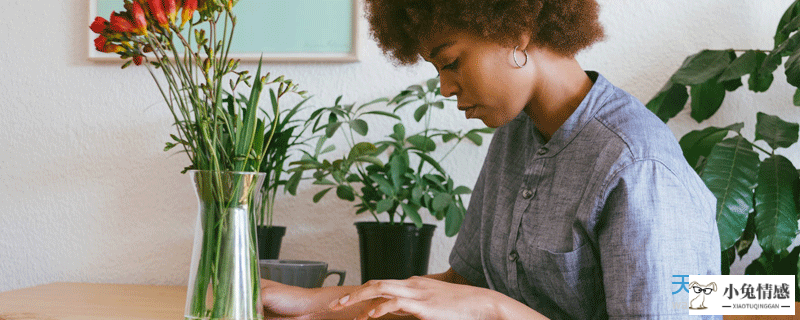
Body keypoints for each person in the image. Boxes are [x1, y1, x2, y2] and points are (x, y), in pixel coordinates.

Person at [260, 0, 721, 319]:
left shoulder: (638, 168)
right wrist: (307, 303)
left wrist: (493, 308)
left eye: (451, 62)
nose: (444, 87)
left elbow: (477, 302)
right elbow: (458, 287)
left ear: (514, 32)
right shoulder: (516, 135)